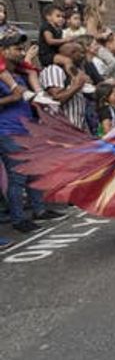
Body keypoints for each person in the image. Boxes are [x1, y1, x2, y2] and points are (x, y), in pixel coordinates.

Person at [0, 33, 65, 232]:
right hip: (8, 131)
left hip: (27, 129)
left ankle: (40, 210)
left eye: (22, 49)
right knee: (18, 176)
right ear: (3, 51)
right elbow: (14, 98)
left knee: (35, 171)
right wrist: (12, 98)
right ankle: (19, 219)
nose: (21, 53)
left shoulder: (21, 74)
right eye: (16, 49)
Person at [38, 42, 91, 131]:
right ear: (72, 53)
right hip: (59, 130)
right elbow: (56, 100)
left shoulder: (74, 71)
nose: (83, 56)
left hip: (76, 129)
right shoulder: (54, 70)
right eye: (81, 53)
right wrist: (77, 86)